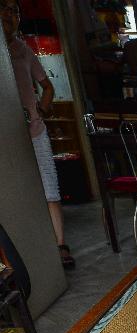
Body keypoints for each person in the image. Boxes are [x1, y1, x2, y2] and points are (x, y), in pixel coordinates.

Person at [1, 0, 74, 268]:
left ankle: (60, 244)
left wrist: (40, 110)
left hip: (34, 130)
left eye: (15, 11)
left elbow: (47, 87)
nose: (10, 15)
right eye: (5, 9)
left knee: (49, 187)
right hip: (6, 137)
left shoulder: (23, 50)